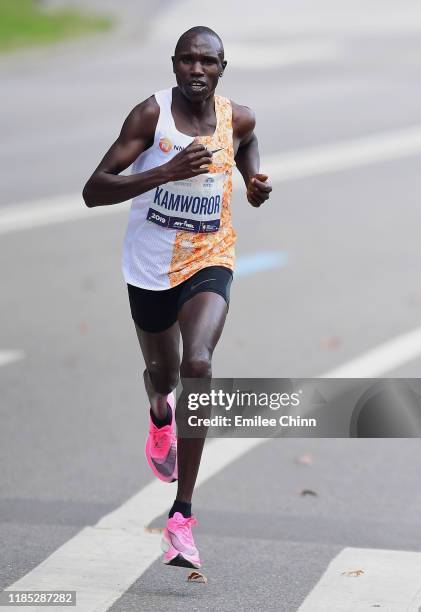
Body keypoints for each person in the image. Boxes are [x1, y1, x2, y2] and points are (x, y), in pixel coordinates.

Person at [82, 25, 272, 569]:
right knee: (163, 377)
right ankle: (158, 412)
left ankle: (182, 515)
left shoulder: (237, 116)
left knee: (199, 363)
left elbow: (248, 140)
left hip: (210, 257)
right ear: (173, 65)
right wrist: (164, 172)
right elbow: (93, 189)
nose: (196, 69)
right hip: (148, 265)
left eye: (206, 61)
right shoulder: (150, 117)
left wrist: (251, 177)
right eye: (186, 60)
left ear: (221, 67)